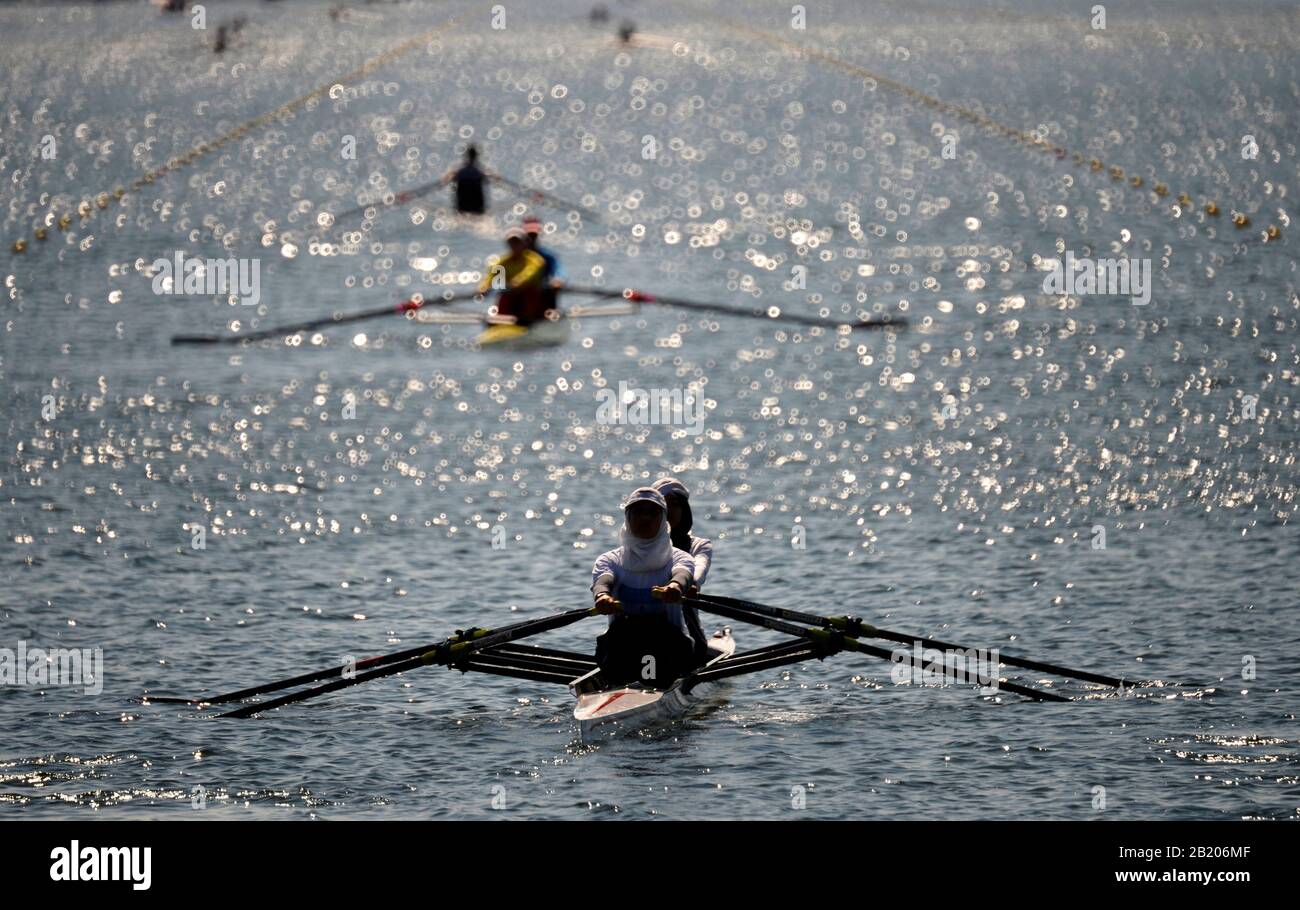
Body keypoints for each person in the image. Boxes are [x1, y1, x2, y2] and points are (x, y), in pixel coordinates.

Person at [591, 488, 697, 687]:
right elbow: (602, 581)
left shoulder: (680, 558)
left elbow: (682, 574)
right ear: (627, 519)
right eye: (638, 512)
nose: (645, 518)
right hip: (623, 645)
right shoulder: (609, 560)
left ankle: (643, 687)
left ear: (664, 519)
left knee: (658, 642)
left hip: (669, 646)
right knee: (617, 641)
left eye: (652, 512)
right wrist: (602, 596)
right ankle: (626, 687)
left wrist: (675, 586)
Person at [653, 477, 713, 661]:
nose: (670, 510)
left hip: (687, 637)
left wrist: (690, 583)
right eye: (664, 504)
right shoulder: (639, 546)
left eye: (675, 504)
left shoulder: (699, 546)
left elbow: (699, 566)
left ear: (684, 510)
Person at [478, 227, 546, 324]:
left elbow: (530, 272)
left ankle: (528, 321)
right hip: (510, 296)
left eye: (517, 242)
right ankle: (502, 322)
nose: (514, 246)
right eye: (512, 243)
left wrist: (518, 281)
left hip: (531, 300)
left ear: (525, 243)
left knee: (530, 292)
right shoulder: (502, 262)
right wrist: (483, 288)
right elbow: (491, 277)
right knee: (504, 294)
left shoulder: (534, 260)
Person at [522, 215, 564, 316]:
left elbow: (559, 271)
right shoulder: (509, 259)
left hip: (542, 293)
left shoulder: (548, 257)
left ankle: (549, 314)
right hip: (519, 295)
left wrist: (558, 280)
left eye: (533, 236)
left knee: (550, 289)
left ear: (537, 236)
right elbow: (497, 283)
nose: (531, 239)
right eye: (528, 236)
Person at [442, 146, 488, 215]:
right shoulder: (479, 172)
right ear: (476, 157)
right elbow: (486, 180)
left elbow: (450, 180)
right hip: (476, 206)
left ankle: (460, 208)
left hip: (462, 206)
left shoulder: (460, 171)